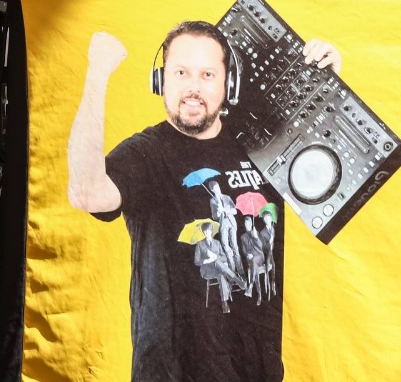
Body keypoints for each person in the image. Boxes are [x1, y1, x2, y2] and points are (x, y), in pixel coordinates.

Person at [66, 20, 341, 381]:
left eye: (207, 75)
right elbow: (85, 192)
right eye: (180, 73)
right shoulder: (147, 153)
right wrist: (97, 74)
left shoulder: (264, 146)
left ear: (229, 84)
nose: (193, 88)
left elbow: (329, 172)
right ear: (160, 81)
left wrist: (328, 83)